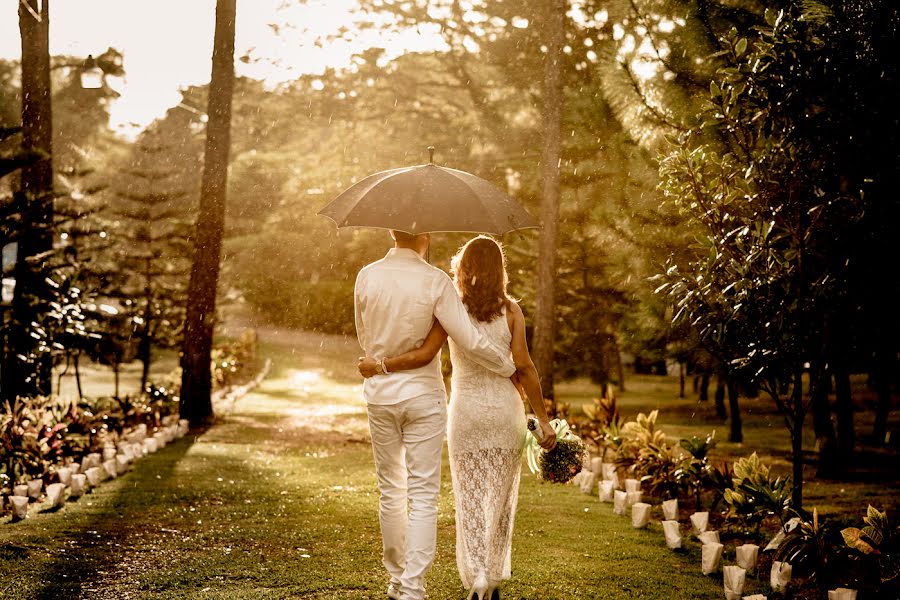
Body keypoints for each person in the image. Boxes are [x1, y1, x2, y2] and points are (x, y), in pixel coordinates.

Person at [360, 235, 556, 600]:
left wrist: (380, 364)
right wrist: (543, 419)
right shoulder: (512, 311)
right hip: (503, 412)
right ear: (501, 271)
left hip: (465, 413)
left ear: (462, 269)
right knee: (500, 498)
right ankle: (491, 576)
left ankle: (475, 572)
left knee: (469, 499)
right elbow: (525, 368)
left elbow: (426, 352)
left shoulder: (450, 308)